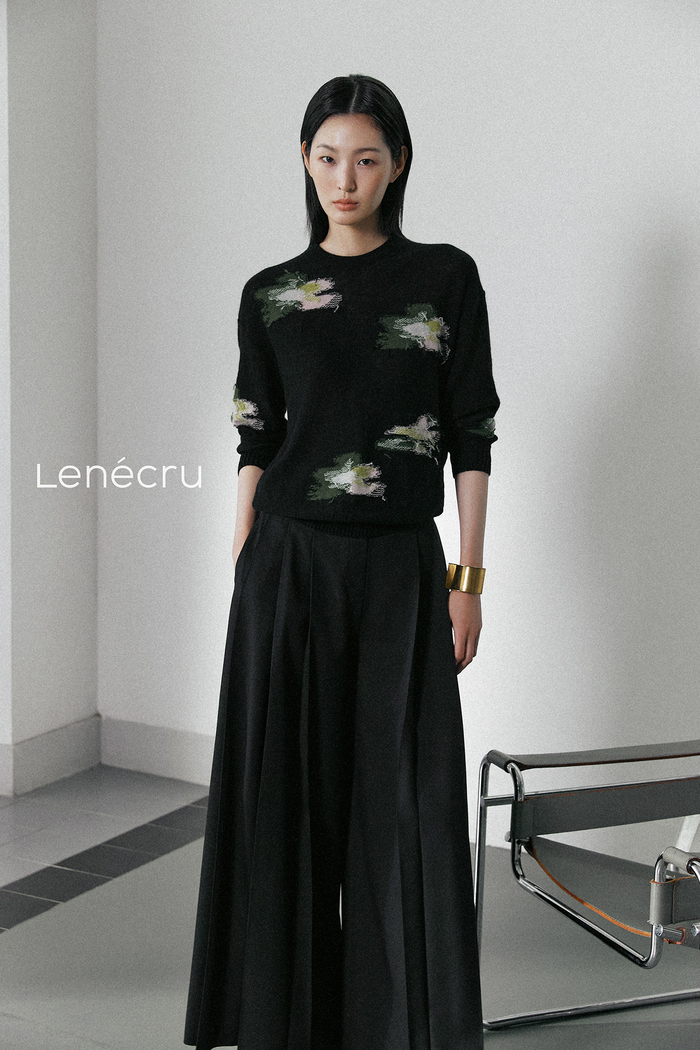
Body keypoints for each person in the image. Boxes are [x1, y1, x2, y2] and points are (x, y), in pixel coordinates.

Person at [184, 73, 499, 1050]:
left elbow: (472, 433)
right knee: (286, 800)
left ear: (397, 163)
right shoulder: (271, 294)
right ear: (305, 161)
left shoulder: (444, 278)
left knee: (403, 802)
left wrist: (467, 581)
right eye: (327, 158)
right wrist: (243, 554)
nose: (345, 178)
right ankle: (284, 1022)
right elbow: (256, 436)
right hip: (287, 565)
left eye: (365, 158)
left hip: (403, 566)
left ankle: (400, 1026)